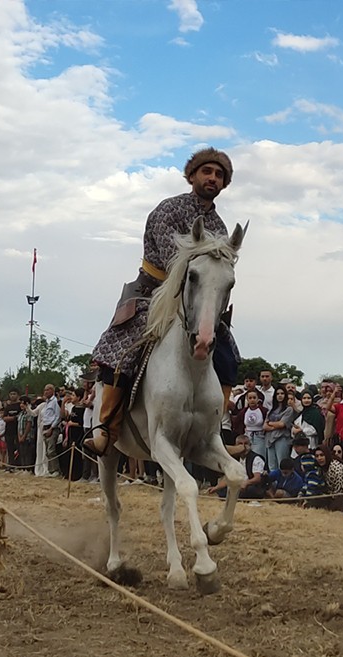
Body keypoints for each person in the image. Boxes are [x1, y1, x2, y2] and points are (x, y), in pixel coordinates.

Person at [87, 148, 238, 456]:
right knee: (119, 350)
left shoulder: (221, 227)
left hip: (196, 300)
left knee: (228, 355)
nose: (212, 178)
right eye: (207, 171)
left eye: (219, 174)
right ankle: (107, 427)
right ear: (192, 176)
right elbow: (174, 260)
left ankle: (216, 431)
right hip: (150, 292)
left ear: (224, 183)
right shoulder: (167, 210)